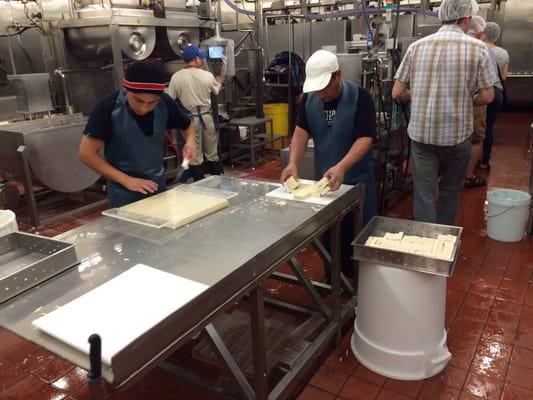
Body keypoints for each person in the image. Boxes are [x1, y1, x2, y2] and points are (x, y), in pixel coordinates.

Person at [392, 0, 498, 225]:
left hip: (421, 136)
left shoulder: (416, 47)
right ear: (466, 19)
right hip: (457, 136)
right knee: (449, 190)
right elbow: (488, 96)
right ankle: (443, 241)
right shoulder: (477, 48)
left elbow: (397, 92)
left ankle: (425, 247)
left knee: (424, 194)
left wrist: (419, 94)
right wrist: (469, 99)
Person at [280, 49, 377, 280]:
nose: (321, 94)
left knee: (357, 234)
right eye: (317, 89)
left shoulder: (360, 97)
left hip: (356, 182)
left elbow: (365, 138)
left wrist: (342, 167)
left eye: (325, 87)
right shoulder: (309, 100)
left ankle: (359, 283)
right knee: (329, 235)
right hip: (325, 184)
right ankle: (333, 280)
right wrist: (293, 163)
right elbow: (300, 133)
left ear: (338, 75)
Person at [79, 61, 197, 208]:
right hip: (123, 193)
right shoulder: (107, 107)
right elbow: (86, 153)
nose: (144, 108)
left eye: (152, 102)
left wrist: (190, 142)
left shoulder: (164, 103)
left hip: (157, 187)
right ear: (126, 89)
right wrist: (126, 180)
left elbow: (187, 125)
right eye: (138, 100)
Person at [167, 44, 223, 182]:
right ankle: (217, 180)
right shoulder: (207, 75)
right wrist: (219, 81)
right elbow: (216, 91)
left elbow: (170, 98)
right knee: (212, 151)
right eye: (201, 58)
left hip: (189, 120)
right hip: (206, 117)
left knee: (195, 154)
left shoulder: (176, 77)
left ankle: (199, 182)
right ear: (197, 59)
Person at [480, 22, 509, 170]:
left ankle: (470, 162)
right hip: (496, 93)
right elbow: (503, 76)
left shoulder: (478, 48)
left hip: (481, 94)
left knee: (476, 129)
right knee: (489, 127)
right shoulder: (503, 53)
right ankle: (484, 162)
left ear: (484, 32)